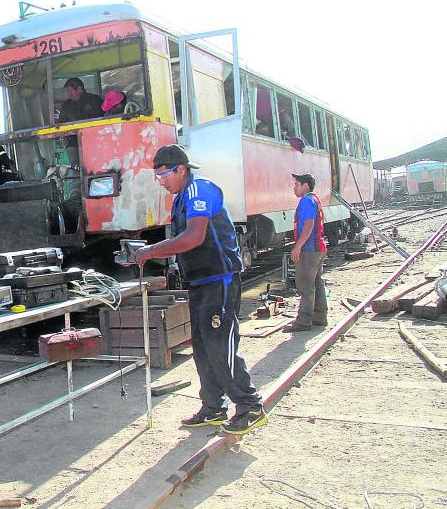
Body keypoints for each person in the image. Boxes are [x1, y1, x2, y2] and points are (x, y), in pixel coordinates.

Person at [134, 144, 267, 435]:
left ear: (181, 169)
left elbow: (194, 237)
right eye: (157, 177)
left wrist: (150, 251)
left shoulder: (200, 191)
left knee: (221, 345)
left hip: (219, 280)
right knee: (204, 347)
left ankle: (250, 406)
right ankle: (213, 407)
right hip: (199, 281)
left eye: (164, 175)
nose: (161, 181)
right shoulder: (180, 198)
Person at [285, 173, 328, 331]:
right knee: (317, 282)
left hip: (309, 250)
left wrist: (298, 247)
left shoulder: (306, 201)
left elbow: (309, 226)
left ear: (306, 186)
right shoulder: (314, 199)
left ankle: (303, 321)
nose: (294, 188)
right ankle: (320, 317)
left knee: (306, 285)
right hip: (318, 248)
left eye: (296, 184)